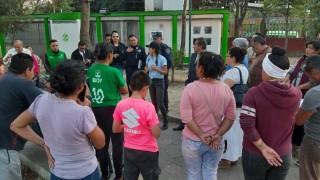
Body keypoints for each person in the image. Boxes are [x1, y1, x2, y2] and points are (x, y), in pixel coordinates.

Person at [11, 60, 105, 179]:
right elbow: (100, 143)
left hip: (57, 172)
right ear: (81, 87)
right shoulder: (83, 112)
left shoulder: (41, 100)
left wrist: (43, 143)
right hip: (85, 173)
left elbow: (16, 125)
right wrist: (86, 108)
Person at [240, 47, 302, 180]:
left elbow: (247, 125)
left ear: (266, 71)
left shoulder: (253, 93)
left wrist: (263, 148)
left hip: (255, 154)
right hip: (283, 155)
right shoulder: (297, 94)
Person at [180, 51, 236, 179]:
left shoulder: (190, 88)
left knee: (194, 174)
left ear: (200, 69)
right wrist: (217, 135)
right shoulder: (226, 89)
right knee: (211, 172)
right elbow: (230, 117)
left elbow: (186, 118)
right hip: (215, 141)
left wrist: (201, 134)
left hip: (192, 141)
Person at [87, 42, 128, 180]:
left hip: (96, 109)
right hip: (113, 110)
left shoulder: (91, 70)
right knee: (117, 144)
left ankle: (104, 175)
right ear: (110, 55)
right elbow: (124, 91)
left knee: (101, 144)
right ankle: (119, 175)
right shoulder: (114, 71)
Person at [0, 53, 42, 179]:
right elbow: (46, 104)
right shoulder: (21, 83)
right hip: (6, 144)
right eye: (33, 70)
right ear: (27, 70)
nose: (34, 73)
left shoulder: (5, 78)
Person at [113, 70, 161, 180]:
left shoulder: (121, 104)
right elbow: (156, 133)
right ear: (145, 89)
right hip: (148, 151)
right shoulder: (148, 107)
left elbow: (115, 129)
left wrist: (131, 127)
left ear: (130, 87)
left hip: (129, 150)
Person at [285, 40, 320, 160]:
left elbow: (313, 80)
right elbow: (292, 69)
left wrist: (299, 87)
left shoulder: (316, 64)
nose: (308, 50)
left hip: (304, 95)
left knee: (300, 121)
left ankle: (296, 145)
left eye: (311, 48)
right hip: (296, 92)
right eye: (307, 47)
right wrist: (288, 77)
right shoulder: (302, 59)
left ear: (317, 51)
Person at [219, 47, 249, 169]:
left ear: (233, 58)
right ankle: (235, 155)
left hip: (230, 105)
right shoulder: (244, 69)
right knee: (237, 130)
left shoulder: (233, 71)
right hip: (239, 105)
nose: (225, 57)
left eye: (227, 55)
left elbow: (223, 89)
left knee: (228, 131)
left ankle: (227, 158)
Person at [173, 37, 206, 131]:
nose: (194, 46)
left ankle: (195, 126)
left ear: (200, 46)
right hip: (190, 82)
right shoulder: (194, 55)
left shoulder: (206, 56)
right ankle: (183, 123)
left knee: (197, 106)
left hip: (200, 85)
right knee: (186, 104)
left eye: (195, 44)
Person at [295, 55, 320, 179]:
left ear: (314, 72)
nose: (309, 79)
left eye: (309, 76)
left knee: (310, 175)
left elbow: (299, 121)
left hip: (315, 141)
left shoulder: (315, 93)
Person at [145, 41, 168, 130]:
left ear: (153, 49)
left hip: (159, 82)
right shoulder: (148, 58)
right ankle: (154, 121)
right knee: (154, 104)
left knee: (160, 103)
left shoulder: (162, 59)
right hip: (151, 81)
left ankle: (166, 121)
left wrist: (156, 69)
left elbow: (165, 72)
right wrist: (146, 70)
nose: (148, 49)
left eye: (149, 48)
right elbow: (146, 68)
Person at [153, 32, 172, 112]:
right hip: (154, 75)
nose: (154, 40)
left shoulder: (165, 48)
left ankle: (165, 109)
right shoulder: (153, 48)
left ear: (160, 38)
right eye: (153, 39)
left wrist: (162, 70)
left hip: (162, 74)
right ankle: (156, 109)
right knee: (155, 92)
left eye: (155, 39)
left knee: (163, 92)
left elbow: (169, 62)